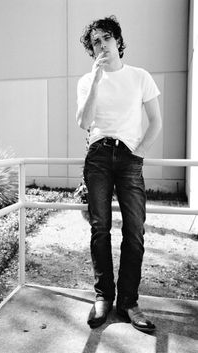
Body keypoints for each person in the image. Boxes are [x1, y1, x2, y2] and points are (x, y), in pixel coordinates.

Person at [76, 15, 162, 332]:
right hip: (98, 155)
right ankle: (103, 298)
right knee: (100, 230)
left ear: (118, 41)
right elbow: (84, 123)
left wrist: (136, 154)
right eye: (96, 42)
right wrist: (96, 80)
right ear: (92, 50)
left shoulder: (140, 77)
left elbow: (156, 122)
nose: (102, 45)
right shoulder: (87, 81)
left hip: (129, 157)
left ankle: (128, 303)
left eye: (106, 38)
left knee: (135, 231)